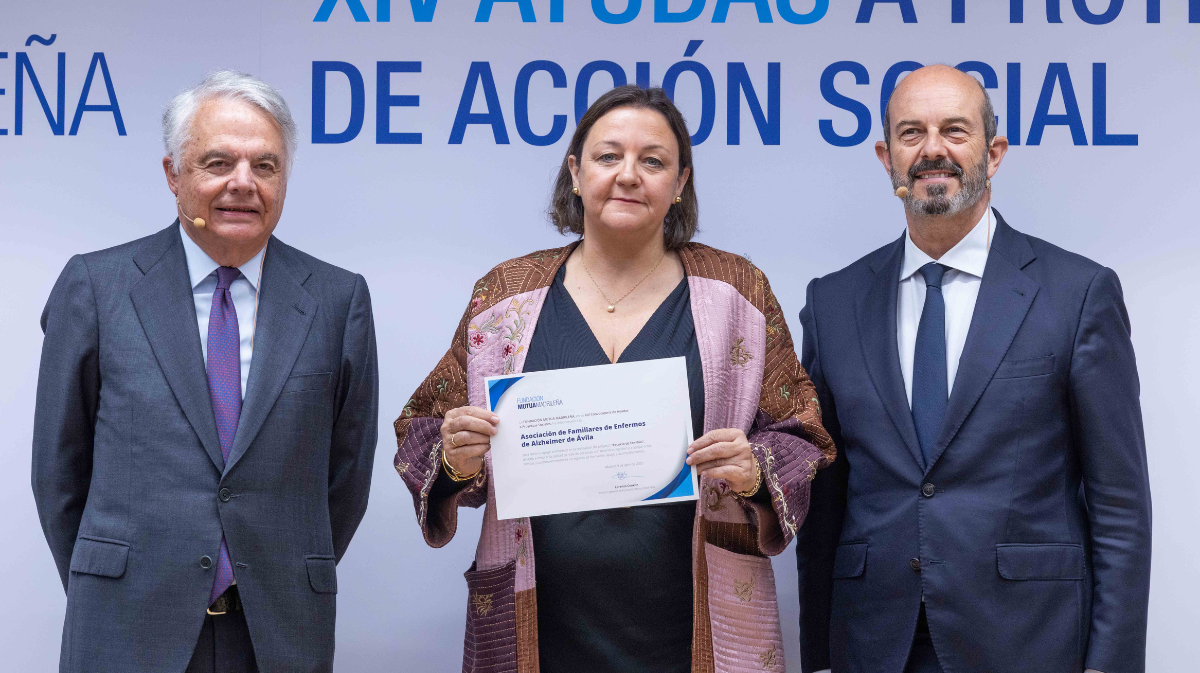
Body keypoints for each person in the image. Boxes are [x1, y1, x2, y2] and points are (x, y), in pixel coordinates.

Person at [394, 85, 835, 672]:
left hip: (696, 623)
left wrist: (758, 470)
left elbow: (800, 432)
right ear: (575, 174)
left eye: (652, 161)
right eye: (607, 157)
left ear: (680, 185)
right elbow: (422, 427)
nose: (628, 175)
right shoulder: (505, 297)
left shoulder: (737, 293)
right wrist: (455, 459)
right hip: (541, 623)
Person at [794, 65, 1151, 673]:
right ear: (886, 156)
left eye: (954, 130)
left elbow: (1119, 504)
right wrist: (820, 655)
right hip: (875, 642)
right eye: (912, 133)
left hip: (1028, 641)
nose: (933, 149)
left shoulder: (1078, 293)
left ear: (995, 151)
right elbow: (824, 501)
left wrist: (1111, 664)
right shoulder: (833, 303)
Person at [32, 71, 378, 673]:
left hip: (277, 632)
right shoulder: (95, 287)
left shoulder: (337, 300)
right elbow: (59, 474)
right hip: (125, 626)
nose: (243, 184)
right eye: (218, 162)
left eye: (265, 166)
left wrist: (278, 571)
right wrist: (114, 581)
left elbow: (345, 479)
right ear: (173, 174)